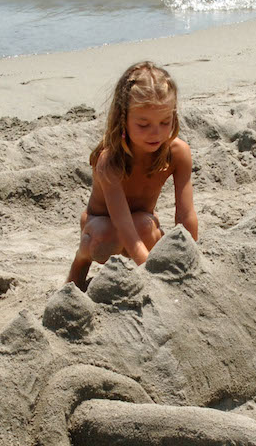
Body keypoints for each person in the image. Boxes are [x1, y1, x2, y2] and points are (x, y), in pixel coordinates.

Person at [67, 61, 198, 289]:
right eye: (143, 124)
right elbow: (122, 224)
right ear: (123, 119)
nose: (155, 132)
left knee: (146, 227)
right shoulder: (110, 160)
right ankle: (81, 260)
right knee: (103, 236)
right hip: (102, 222)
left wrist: (192, 256)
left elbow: (186, 215)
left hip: (141, 221)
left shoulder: (178, 153)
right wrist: (150, 272)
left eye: (165, 122)